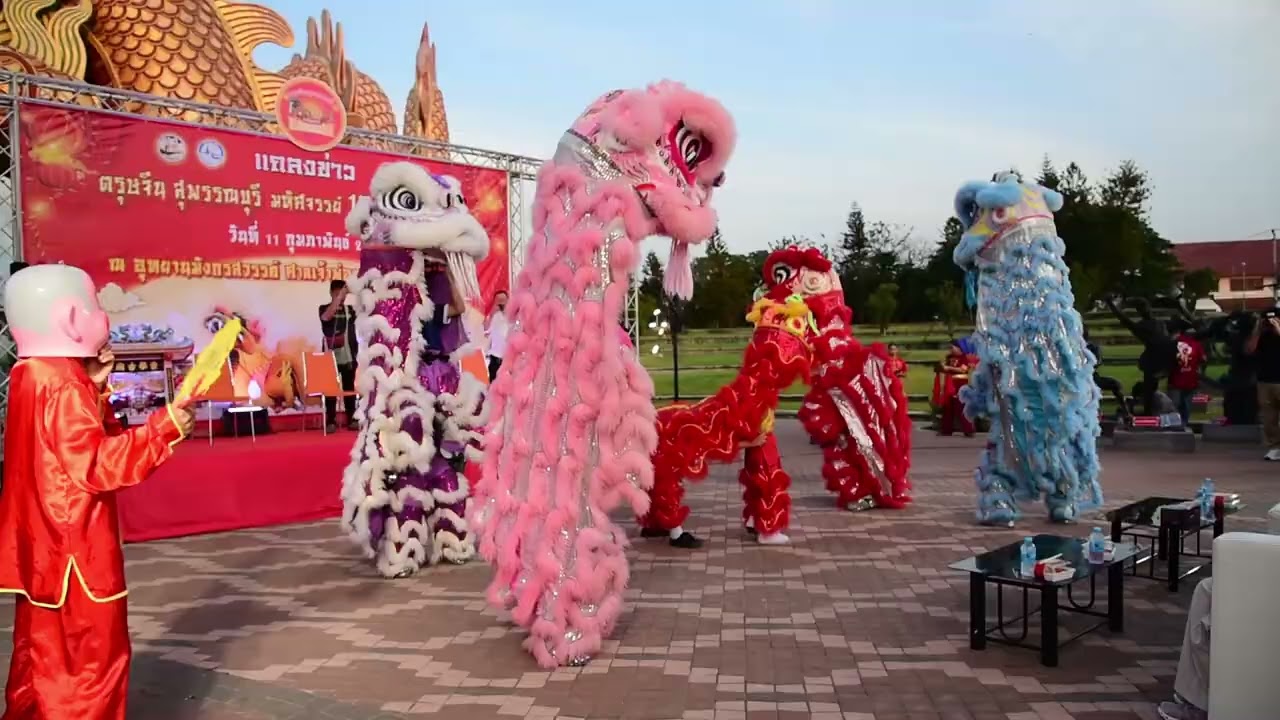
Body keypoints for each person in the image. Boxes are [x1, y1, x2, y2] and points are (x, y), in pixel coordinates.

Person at [0, 264, 196, 719]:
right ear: (72, 319)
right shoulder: (63, 384)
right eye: (94, 307)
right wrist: (163, 429)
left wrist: (96, 384)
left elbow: (63, 449)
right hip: (78, 554)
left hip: (42, 550)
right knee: (90, 665)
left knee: (41, 655)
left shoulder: (32, 374)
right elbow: (97, 465)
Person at [319, 279, 358, 433]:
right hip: (330, 356)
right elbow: (327, 317)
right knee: (330, 390)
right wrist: (338, 298)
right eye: (336, 293)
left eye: (342, 293)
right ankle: (331, 421)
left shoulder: (350, 310)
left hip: (349, 355)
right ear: (331, 293)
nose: (341, 297)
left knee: (349, 389)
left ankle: (351, 417)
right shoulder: (323, 308)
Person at [1245, 307, 1280, 460]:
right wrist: (1257, 330)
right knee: (1268, 417)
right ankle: (1274, 447)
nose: (1270, 323)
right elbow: (1249, 349)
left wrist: (1278, 329)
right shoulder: (1261, 335)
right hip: (1265, 381)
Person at [1085, 327, 1130, 419]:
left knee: (1115, 384)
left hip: (1091, 376)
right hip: (1080, 378)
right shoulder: (1073, 347)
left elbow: (1098, 362)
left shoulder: (1091, 347)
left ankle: (1126, 411)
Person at [933, 339, 975, 436]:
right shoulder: (949, 358)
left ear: (959, 348)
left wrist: (948, 368)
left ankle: (968, 430)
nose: (951, 349)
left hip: (960, 384)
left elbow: (962, 370)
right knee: (948, 407)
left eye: (952, 347)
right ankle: (946, 430)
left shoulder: (964, 358)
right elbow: (943, 369)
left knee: (961, 407)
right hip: (949, 384)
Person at [1168, 321, 1206, 427]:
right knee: (1186, 405)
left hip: (1176, 380)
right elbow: (1203, 359)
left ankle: (1174, 426)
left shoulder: (1174, 342)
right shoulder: (1196, 344)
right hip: (1191, 380)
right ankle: (1184, 425)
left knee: (1174, 406)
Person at [485, 290, 509, 380]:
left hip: (509, 359)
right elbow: (485, 329)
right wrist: (491, 314)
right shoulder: (493, 316)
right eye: (498, 300)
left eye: (503, 299)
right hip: (495, 359)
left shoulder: (514, 316)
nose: (501, 302)